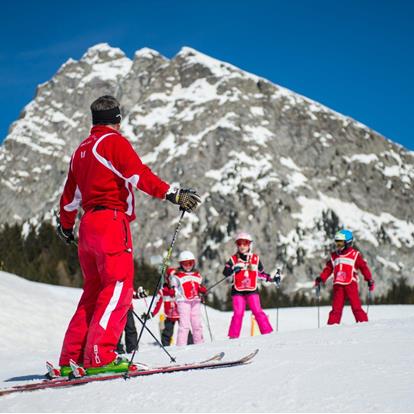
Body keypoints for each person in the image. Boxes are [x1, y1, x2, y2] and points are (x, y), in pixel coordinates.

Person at [56, 95, 201, 376]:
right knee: (118, 288)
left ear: (94, 120)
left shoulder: (80, 151)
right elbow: (138, 175)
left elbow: (69, 198)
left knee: (93, 293)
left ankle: (69, 359)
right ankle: (100, 356)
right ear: (118, 120)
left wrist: (65, 225)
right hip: (111, 222)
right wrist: (173, 193)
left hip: (87, 226)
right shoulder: (113, 143)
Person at [314, 229, 375, 325]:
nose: (338, 246)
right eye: (336, 243)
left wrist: (369, 279)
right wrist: (321, 278)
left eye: (340, 244)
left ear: (348, 243)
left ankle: (363, 324)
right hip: (338, 285)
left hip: (351, 284)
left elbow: (363, 267)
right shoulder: (334, 256)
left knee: (356, 307)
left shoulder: (354, 255)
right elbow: (328, 269)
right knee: (336, 309)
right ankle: (331, 327)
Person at [223, 232, 275, 339]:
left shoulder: (255, 259)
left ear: (249, 245)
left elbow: (260, 273)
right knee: (238, 313)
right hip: (238, 291)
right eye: (239, 243)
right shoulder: (233, 259)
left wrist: (271, 278)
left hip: (251, 289)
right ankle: (233, 337)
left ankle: (268, 334)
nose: (242, 246)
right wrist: (233, 269)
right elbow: (225, 272)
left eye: (245, 243)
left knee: (257, 311)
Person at [142, 276, 194, 346]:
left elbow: (189, 298)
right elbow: (157, 304)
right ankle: (166, 348)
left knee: (186, 331)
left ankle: (192, 346)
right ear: (168, 281)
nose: (173, 283)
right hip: (169, 316)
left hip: (181, 315)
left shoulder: (181, 289)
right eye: (171, 280)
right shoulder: (163, 291)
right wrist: (151, 314)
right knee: (167, 333)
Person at [169, 251, 207, 346]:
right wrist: (172, 291)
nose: (188, 266)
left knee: (197, 324)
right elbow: (172, 287)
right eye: (185, 264)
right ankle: (181, 346)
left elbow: (199, 287)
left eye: (190, 263)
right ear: (181, 264)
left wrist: (202, 290)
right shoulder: (177, 276)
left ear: (193, 263)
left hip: (195, 301)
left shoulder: (197, 275)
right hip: (183, 302)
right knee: (184, 325)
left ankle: (199, 344)